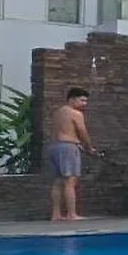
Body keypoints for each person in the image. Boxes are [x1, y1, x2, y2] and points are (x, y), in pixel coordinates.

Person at [47, 87, 99, 222]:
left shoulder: (58, 112)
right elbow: (82, 132)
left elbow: (63, 130)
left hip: (54, 146)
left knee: (58, 181)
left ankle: (56, 214)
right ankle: (72, 214)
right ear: (72, 99)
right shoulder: (76, 113)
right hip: (68, 147)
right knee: (70, 181)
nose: (84, 104)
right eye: (82, 100)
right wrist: (89, 148)